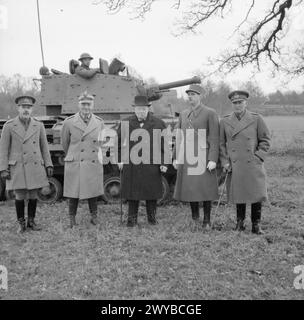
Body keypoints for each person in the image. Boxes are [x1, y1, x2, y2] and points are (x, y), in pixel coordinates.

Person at [219, 90, 271, 234]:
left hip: (253, 164)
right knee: (239, 193)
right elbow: (221, 144)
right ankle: (240, 223)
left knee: (256, 194)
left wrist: (259, 157)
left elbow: (265, 140)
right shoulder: (224, 121)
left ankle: (256, 225)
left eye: (240, 102)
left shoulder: (256, 119)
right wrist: (225, 162)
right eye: (235, 103)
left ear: (245, 103)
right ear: (232, 104)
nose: (237, 105)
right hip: (235, 164)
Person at [0, 96, 53, 233]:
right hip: (17, 166)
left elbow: (44, 147)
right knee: (20, 195)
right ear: (18, 108)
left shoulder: (39, 125)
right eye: (23, 107)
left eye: (28, 107)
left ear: (32, 109)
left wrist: (49, 164)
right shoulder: (9, 125)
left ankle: (31, 221)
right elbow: (3, 149)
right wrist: (3, 168)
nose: (26, 110)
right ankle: (21, 223)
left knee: (33, 194)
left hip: (35, 165)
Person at [173, 84, 220, 229]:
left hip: (203, 156)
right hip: (187, 157)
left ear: (200, 96)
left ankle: (206, 220)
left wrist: (213, 158)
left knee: (206, 189)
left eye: (193, 94)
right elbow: (179, 137)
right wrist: (175, 156)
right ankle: (195, 218)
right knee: (191, 188)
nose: (190, 97)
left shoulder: (209, 113)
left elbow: (214, 138)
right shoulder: (183, 113)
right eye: (189, 94)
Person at [117, 95, 168, 227]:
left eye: (143, 109)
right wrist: (120, 160)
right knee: (132, 193)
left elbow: (165, 146)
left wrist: (163, 163)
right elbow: (116, 143)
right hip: (132, 164)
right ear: (134, 109)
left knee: (151, 193)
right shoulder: (125, 123)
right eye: (138, 109)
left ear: (148, 109)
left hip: (152, 164)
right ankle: (131, 220)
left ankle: (152, 220)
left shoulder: (158, 123)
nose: (141, 112)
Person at [61, 91, 105, 228]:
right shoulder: (69, 123)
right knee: (73, 192)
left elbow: (101, 143)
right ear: (79, 105)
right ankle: (72, 219)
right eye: (83, 104)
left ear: (93, 105)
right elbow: (65, 144)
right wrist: (74, 156)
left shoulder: (99, 122)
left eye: (89, 104)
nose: (86, 107)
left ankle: (94, 217)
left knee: (93, 191)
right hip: (76, 161)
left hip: (92, 161)